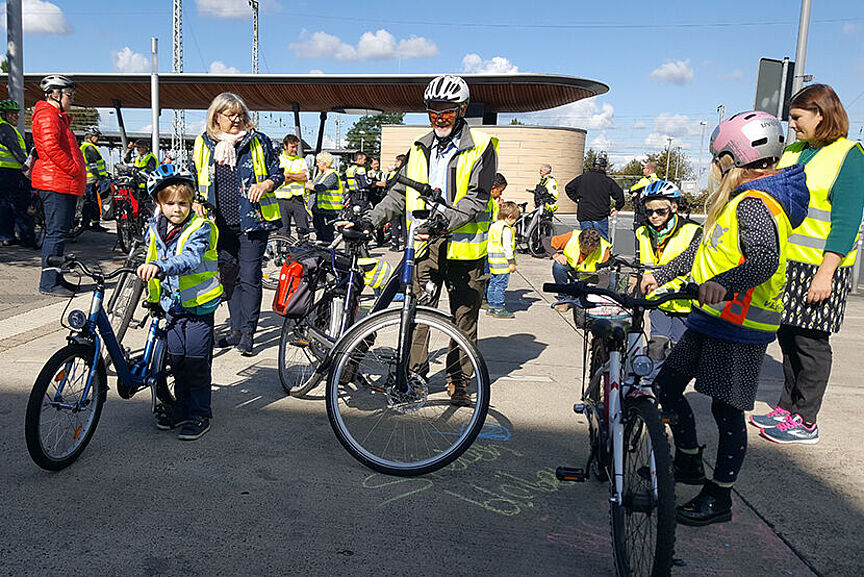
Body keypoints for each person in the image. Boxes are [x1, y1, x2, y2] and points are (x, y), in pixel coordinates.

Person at [640, 111, 808, 526]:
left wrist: (724, 284)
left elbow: (765, 260)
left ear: (733, 161)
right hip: (709, 318)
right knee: (666, 385)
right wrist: (658, 273)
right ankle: (689, 462)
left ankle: (720, 496)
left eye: (717, 159)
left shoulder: (754, 204)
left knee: (727, 410)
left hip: (739, 324)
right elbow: (700, 250)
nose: (714, 168)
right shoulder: (735, 203)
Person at [354, 74, 498, 406]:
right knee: (417, 314)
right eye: (434, 111)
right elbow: (399, 193)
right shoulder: (419, 147)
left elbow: (476, 199)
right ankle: (413, 377)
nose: (440, 118)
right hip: (425, 245)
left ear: (461, 110)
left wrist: (444, 220)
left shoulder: (482, 146)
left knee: (463, 320)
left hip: (464, 248)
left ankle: (458, 379)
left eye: (447, 111)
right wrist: (370, 218)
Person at [751, 85, 864, 445]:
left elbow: (846, 222)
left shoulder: (849, 156)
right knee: (787, 338)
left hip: (819, 268)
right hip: (789, 266)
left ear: (821, 114)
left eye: (798, 118)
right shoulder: (796, 151)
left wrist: (826, 274)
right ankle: (788, 407)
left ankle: (806, 419)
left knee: (811, 344)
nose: (793, 125)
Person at [191, 92, 283, 356]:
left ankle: (249, 332)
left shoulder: (258, 141)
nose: (237, 120)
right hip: (218, 224)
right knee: (229, 279)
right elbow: (193, 176)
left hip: (252, 222)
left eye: (241, 115)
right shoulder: (203, 144)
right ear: (216, 117)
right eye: (231, 115)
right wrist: (195, 201)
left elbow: (278, 173)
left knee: (250, 277)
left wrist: (266, 184)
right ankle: (235, 330)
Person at [138, 165, 223, 441]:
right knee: (178, 361)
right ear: (158, 203)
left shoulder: (201, 227)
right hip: (172, 307)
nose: (177, 209)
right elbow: (147, 251)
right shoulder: (155, 227)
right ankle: (182, 408)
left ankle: (200, 413)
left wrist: (159, 267)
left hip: (199, 307)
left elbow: (191, 259)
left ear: (192, 202)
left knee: (196, 362)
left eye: (183, 203)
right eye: (170, 203)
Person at [634, 180, 702, 383]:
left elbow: (691, 265)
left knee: (679, 352)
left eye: (660, 211)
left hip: (684, 301)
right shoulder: (642, 232)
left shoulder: (692, 231)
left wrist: (666, 283)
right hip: (657, 301)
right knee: (656, 345)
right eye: (649, 212)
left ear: (673, 207)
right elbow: (640, 264)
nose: (654, 216)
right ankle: (653, 388)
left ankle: (670, 388)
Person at [32, 74, 87, 297]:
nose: (71, 99)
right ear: (55, 94)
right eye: (69, 95)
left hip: (61, 183)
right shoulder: (48, 116)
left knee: (60, 234)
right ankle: (48, 283)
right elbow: (51, 149)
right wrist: (74, 170)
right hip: (56, 182)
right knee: (55, 234)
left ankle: (56, 277)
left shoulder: (57, 117)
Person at [564, 154, 625, 241]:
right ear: (604, 167)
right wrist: (617, 208)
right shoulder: (607, 181)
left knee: (586, 239)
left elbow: (568, 188)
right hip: (600, 214)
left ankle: (587, 254)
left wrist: (577, 199)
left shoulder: (582, 178)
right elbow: (620, 196)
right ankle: (603, 254)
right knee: (602, 239)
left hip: (584, 213)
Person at [548, 227, 611, 312]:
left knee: (611, 279)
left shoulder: (603, 249)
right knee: (558, 266)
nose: (588, 253)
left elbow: (604, 277)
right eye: (585, 251)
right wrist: (555, 255)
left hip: (591, 275)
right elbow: (546, 241)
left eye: (591, 251)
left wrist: (595, 297)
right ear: (579, 243)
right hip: (573, 270)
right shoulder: (571, 237)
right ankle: (563, 299)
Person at [0, 98, 34, 247]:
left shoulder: (9, 128)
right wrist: (27, 167)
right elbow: (16, 150)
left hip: (8, 173)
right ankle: (23, 237)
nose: (16, 116)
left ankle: (6, 236)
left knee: (6, 206)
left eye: (17, 113)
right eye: (11, 113)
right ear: (3, 114)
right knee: (18, 205)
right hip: (9, 173)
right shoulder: (5, 129)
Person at [486, 201, 520, 318]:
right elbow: (507, 247)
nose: (515, 222)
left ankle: (491, 306)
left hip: (493, 261)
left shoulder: (494, 226)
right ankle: (499, 308)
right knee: (501, 285)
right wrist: (511, 262)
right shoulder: (506, 229)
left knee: (493, 284)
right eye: (515, 219)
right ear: (510, 217)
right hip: (502, 262)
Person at [274, 134, 310, 239]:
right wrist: (296, 176)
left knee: (304, 229)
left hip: (298, 200)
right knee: (283, 230)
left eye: (296, 147)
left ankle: (304, 252)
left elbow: (305, 177)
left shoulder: (301, 160)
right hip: (282, 200)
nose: (295, 149)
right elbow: (281, 179)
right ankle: (283, 254)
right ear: (285, 146)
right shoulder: (279, 160)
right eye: (292, 147)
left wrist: (289, 175)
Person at [306, 151, 343, 243]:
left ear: (325, 162)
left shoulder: (332, 175)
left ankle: (329, 255)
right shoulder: (321, 174)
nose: (317, 164)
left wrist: (309, 186)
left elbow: (321, 187)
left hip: (328, 211)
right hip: (319, 210)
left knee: (327, 235)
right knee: (320, 235)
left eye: (319, 162)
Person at [78, 125, 109, 231]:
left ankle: (86, 223)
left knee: (89, 201)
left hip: (87, 179)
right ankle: (93, 224)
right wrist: (100, 176)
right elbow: (92, 165)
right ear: (89, 137)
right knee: (92, 201)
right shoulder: (89, 148)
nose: (97, 138)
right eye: (95, 136)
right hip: (90, 179)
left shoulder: (84, 147)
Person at [630, 160, 660, 243]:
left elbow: (632, 189)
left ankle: (639, 254)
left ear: (648, 170)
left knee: (640, 231)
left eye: (644, 168)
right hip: (655, 210)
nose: (643, 170)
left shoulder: (645, 180)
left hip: (642, 210)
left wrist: (636, 192)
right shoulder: (658, 181)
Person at [384, 154, 407, 250]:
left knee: (395, 224)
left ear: (401, 162)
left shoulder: (396, 173)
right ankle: (406, 245)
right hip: (405, 201)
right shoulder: (408, 172)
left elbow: (387, 184)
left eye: (396, 161)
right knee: (404, 225)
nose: (395, 164)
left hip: (396, 201)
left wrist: (389, 173)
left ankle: (395, 244)